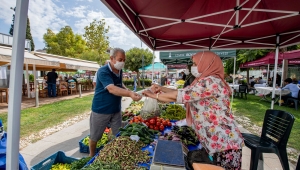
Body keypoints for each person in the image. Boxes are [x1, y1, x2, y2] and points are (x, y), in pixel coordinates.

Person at [143, 51, 244, 170]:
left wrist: (155, 96)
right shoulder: (206, 80)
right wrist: (161, 88)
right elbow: (186, 92)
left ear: (206, 64)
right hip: (217, 141)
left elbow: (181, 96)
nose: (193, 67)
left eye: (196, 64)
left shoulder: (210, 81)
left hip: (224, 143)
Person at [89, 48, 142, 157]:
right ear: (112, 59)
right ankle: (91, 155)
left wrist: (128, 91)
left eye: (124, 60)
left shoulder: (119, 70)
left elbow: (119, 84)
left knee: (117, 132)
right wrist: (130, 95)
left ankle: (113, 152)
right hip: (101, 109)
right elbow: (112, 88)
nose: (122, 62)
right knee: (95, 136)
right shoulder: (103, 71)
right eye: (120, 59)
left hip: (116, 109)